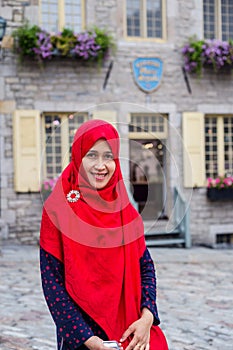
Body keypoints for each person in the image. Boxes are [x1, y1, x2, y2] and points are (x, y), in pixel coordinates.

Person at [40, 119, 168, 350]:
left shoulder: (125, 210)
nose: (101, 165)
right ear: (78, 156)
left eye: (108, 156)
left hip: (132, 331)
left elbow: (145, 267)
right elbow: (53, 285)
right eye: (91, 155)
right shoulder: (58, 209)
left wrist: (147, 318)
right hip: (83, 338)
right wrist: (89, 341)